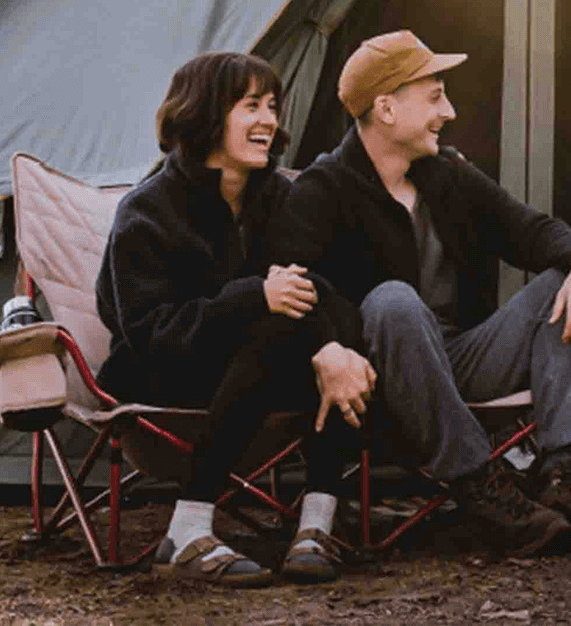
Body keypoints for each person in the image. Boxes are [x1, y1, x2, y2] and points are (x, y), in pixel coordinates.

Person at [274, 30, 571, 556]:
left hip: (458, 358)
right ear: (387, 108)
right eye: (435, 96)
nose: (451, 111)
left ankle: (562, 485)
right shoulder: (322, 189)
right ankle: (481, 487)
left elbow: (530, 229)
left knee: (564, 284)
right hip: (378, 378)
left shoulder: (447, 174)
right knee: (392, 300)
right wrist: (327, 349)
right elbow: (291, 290)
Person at [95, 52, 372, 586]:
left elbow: (327, 291)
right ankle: (192, 527)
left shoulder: (282, 196)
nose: (269, 120)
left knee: (333, 343)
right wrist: (253, 299)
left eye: (272, 106)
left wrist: (332, 348)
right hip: (165, 378)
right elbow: (151, 332)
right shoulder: (148, 211)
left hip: (259, 378)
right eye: (251, 106)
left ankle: (313, 531)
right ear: (203, 114)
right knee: (279, 325)